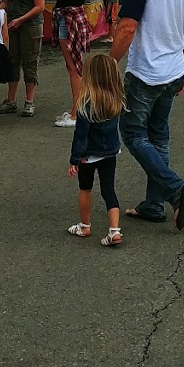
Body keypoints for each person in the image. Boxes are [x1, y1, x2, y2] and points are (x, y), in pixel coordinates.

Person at [110, 0, 184, 230]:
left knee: (132, 134)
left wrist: (109, 62)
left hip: (146, 70)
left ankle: (173, 189)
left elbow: (127, 27)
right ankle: (153, 204)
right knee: (158, 135)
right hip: (173, 70)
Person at [66, 52, 125, 247]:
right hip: (111, 152)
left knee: (85, 188)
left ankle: (85, 225)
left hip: (89, 156)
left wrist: (75, 159)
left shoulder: (86, 105)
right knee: (109, 189)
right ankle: (114, 230)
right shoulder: (117, 100)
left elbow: (80, 136)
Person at [51, 0, 92, 129]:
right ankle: (77, 110)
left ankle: (77, 113)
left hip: (69, 19)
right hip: (72, 17)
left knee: (74, 68)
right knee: (74, 66)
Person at [0, 0, 45, 116]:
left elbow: (40, 6)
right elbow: (5, 1)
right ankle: (11, 100)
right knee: (12, 60)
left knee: (30, 61)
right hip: (12, 24)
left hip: (30, 25)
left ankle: (29, 101)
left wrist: (21, 19)